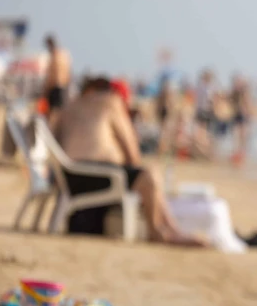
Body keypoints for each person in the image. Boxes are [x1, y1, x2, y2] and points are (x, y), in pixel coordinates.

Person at [54, 77, 204, 246]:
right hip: (99, 175)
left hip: (69, 178)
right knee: (149, 175)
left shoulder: (69, 106)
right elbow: (132, 152)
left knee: (142, 176)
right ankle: (161, 230)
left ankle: (171, 230)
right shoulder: (110, 101)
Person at [42, 34, 71, 128]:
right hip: (63, 86)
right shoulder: (64, 55)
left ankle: (53, 130)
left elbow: (52, 77)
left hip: (55, 87)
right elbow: (68, 73)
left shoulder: (55, 56)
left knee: (54, 112)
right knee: (61, 111)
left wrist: (45, 91)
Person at [192, 69, 217, 158]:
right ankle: (205, 152)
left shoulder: (202, 86)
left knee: (205, 132)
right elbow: (210, 101)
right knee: (204, 132)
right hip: (204, 111)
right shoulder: (206, 87)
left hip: (204, 111)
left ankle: (206, 152)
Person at [230, 74, 253, 166]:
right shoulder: (235, 93)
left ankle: (241, 154)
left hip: (243, 116)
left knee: (242, 136)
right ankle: (237, 153)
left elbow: (249, 106)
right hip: (237, 116)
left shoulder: (245, 93)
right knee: (237, 136)